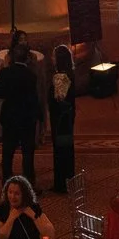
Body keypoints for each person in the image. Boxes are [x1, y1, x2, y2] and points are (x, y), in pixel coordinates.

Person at [0, 33, 40, 184]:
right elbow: (33, 98)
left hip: (10, 117)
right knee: (28, 154)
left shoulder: (5, 72)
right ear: (26, 58)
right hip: (26, 118)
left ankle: (6, 182)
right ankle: (29, 183)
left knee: (7, 152)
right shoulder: (31, 75)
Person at [46, 45, 79, 195]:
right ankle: (69, 180)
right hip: (68, 117)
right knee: (68, 148)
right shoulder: (70, 74)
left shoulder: (60, 78)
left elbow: (58, 100)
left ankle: (61, 184)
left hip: (60, 120)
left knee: (60, 151)